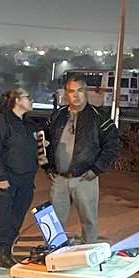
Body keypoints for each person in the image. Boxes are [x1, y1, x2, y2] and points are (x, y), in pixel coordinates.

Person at [43, 73, 121, 245]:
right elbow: (44, 141)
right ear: (66, 93)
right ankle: (53, 251)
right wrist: (47, 166)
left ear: (86, 92)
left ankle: (88, 250)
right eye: (72, 91)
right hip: (59, 179)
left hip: (85, 178)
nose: (76, 95)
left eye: (80, 90)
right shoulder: (57, 116)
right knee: (54, 222)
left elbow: (112, 145)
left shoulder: (98, 117)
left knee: (89, 220)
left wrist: (96, 169)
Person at [0, 87, 40, 274]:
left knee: (15, 220)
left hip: (25, 182)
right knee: (2, 220)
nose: (31, 100)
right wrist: (0, 176)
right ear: (17, 101)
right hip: (6, 180)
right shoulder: (0, 122)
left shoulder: (28, 124)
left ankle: (5, 254)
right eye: (28, 97)